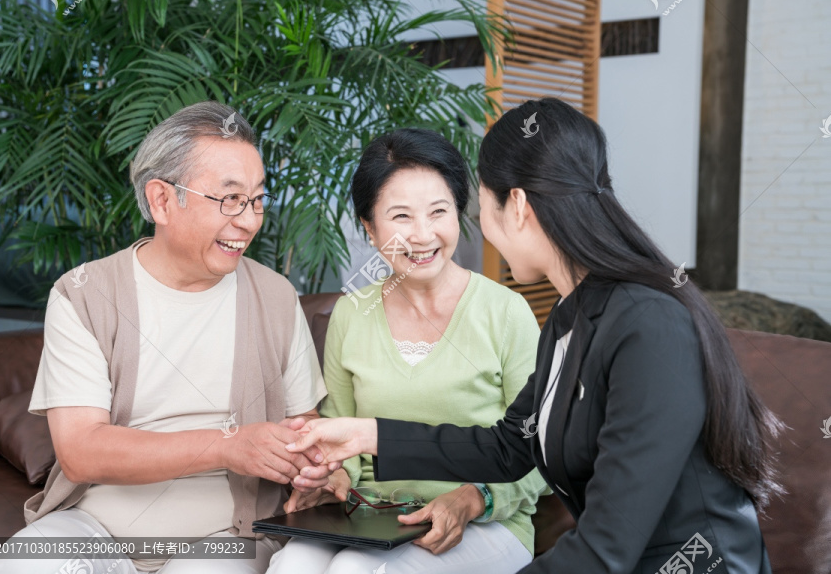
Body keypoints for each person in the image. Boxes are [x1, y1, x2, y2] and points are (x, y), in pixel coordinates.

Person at [288, 98, 782, 573]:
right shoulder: (571, 316)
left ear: (517, 206)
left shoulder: (648, 324)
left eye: (477, 206)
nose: (476, 226)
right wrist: (365, 434)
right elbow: (508, 446)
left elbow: (607, 548)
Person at [0, 102, 332, 574]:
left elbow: (304, 432)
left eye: (256, 199)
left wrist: (313, 468)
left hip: (227, 535)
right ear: (162, 200)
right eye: (229, 199)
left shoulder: (275, 297)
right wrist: (228, 444)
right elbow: (81, 451)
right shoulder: (83, 295)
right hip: (95, 527)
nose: (249, 221)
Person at [266, 129, 549, 574]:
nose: (422, 235)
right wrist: (331, 478)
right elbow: (346, 443)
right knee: (291, 565)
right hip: (374, 520)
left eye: (439, 211)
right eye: (400, 216)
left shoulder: (506, 313)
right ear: (369, 227)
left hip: (489, 524)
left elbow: (542, 448)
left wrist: (475, 497)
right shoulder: (350, 316)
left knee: (358, 572)